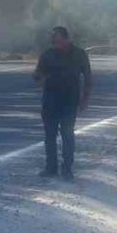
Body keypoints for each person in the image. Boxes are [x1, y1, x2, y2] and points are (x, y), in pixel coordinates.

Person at [33, 26, 92, 181]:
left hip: (69, 101)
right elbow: (38, 73)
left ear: (66, 38)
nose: (53, 41)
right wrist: (38, 75)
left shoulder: (79, 54)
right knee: (50, 136)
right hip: (50, 100)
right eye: (52, 38)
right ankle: (50, 167)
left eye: (56, 38)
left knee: (67, 135)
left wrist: (85, 98)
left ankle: (67, 169)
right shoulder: (47, 54)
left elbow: (87, 77)